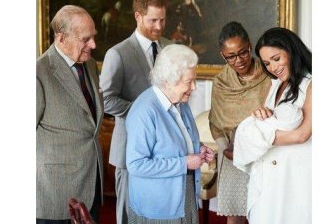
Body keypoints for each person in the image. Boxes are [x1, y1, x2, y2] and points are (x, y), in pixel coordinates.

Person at [99, 0, 172, 224]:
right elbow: (106, 99)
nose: (159, 27)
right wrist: (146, 114)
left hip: (165, 151)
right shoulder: (117, 54)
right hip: (130, 149)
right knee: (129, 216)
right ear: (137, 16)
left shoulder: (171, 48)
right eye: (153, 20)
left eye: (162, 19)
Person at [125, 44, 215, 223]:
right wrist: (184, 163)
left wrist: (199, 149)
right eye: (189, 81)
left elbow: (178, 141)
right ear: (168, 81)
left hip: (184, 195)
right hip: (158, 208)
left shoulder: (181, 102)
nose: (194, 87)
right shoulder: (144, 111)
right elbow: (136, 164)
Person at [233, 27, 312, 224]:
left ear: (291, 50)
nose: (273, 67)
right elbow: (270, 121)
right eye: (267, 63)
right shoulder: (276, 84)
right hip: (269, 173)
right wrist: (260, 116)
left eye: (277, 59)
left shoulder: (312, 84)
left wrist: (254, 135)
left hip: (294, 175)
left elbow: (302, 134)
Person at [36, 5, 104, 223]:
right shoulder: (38, 72)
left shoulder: (90, 65)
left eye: (93, 37)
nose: (93, 45)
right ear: (61, 38)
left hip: (92, 185)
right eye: (86, 39)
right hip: (55, 193)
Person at [208, 21, 271, 224]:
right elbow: (216, 123)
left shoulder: (269, 75)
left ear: (250, 46)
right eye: (231, 56)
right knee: (235, 217)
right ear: (222, 56)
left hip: (265, 153)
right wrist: (225, 148)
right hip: (233, 154)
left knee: (263, 213)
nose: (239, 60)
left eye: (243, 52)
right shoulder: (220, 83)